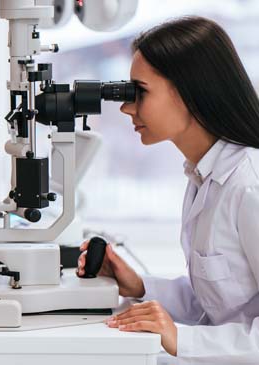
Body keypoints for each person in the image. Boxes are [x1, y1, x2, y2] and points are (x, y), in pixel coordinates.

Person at [77, 16, 259, 364]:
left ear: (191, 91)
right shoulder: (203, 176)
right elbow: (222, 303)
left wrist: (181, 339)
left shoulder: (250, 186)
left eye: (139, 92)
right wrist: (141, 287)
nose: (127, 107)